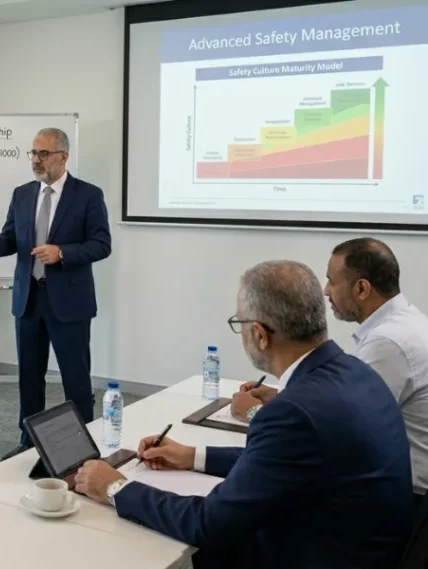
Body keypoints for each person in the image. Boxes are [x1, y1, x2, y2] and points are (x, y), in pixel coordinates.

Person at [73, 260, 413, 569]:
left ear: (260, 335)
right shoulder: (355, 371)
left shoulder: (291, 412)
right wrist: (192, 456)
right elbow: (281, 463)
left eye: (239, 322)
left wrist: (116, 488)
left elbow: (210, 523)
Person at [232, 238, 428, 494]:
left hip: (398, 494)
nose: (325, 291)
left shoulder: (387, 343)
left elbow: (343, 428)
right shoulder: (406, 322)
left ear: (362, 289)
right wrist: (281, 396)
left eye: (332, 281)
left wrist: (254, 414)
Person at [0, 127, 111, 460]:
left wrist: (62, 252)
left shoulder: (88, 195)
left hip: (69, 303)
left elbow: (101, 245)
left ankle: (82, 449)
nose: (36, 160)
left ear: (63, 156)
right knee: (29, 376)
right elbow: (11, 238)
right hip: (28, 299)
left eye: (43, 154)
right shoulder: (22, 194)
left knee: (75, 378)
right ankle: (28, 441)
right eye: (32, 153)